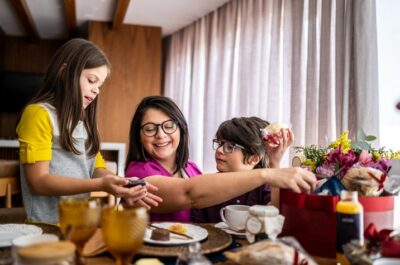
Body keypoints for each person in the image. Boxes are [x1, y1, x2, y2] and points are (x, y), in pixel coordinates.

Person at [16, 38, 161, 224]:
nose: (96, 91)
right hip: (48, 226)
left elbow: (96, 168)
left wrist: (123, 183)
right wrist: (101, 185)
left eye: (99, 85)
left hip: (79, 224)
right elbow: (38, 182)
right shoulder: (38, 114)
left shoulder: (81, 123)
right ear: (64, 72)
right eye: (91, 81)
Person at [124, 96, 316, 221]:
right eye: (150, 128)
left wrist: (274, 162)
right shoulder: (137, 173)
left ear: (181, 129)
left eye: (168, 126)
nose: (160, 135)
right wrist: (269, 173)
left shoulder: (190, 169)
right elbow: (190, 194)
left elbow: (276, 214)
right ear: (138, 136)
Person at [191, 117, 293, 223]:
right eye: (219, 143)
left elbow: (275, 215)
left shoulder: (264, 187)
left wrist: (274, 163)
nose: (219, 150)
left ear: (254, 158)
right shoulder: (207, 185)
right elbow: (197, 228)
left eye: (230, 147)